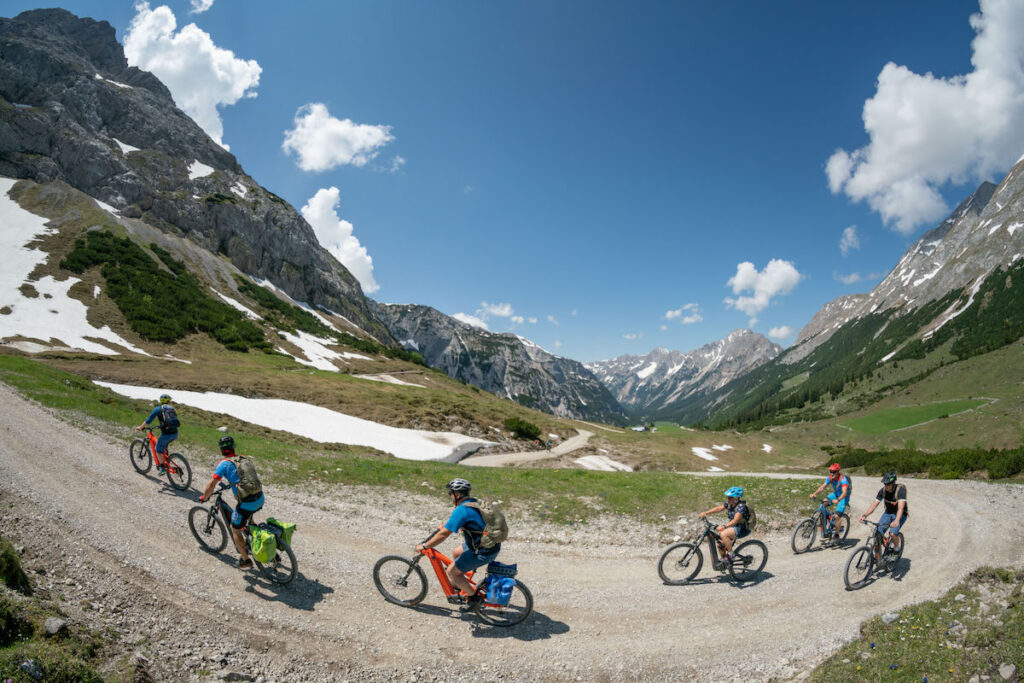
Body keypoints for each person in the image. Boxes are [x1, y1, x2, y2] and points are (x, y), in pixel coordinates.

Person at [415, 478, 500, 612]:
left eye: (451, 493)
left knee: (451, 571)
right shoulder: (473, 502)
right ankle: (462, 583)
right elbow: (461, 521)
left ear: (458, 495)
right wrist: (446, 525)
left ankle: (474, 599)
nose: (450, 496)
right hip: (489, 545)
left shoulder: (462, 510)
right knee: (456, 552)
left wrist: (425, 546)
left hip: (483, 551)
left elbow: (443, 535)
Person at [199, 436, 265, 569]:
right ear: (233, 447)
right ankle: (256, 535)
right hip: (260, 498)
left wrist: (204, 497)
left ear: (222, 450)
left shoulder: (224, 464)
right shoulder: (243, 459)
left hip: (247, 503)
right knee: (248, 520)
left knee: (234, 529)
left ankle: (245, 560)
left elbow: (212, 483)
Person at [859, 471, 908, 559]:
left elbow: (900, 508)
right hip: (888, 513)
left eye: (888, 484)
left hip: (900, 515)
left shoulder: (900, 490)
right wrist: (865, 515)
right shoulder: (883, 491)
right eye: (885, 484)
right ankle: (878, 557)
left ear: (893, 483)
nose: (886, 486)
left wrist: (896, 521)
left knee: (892, 533)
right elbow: (874, 505)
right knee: (877, 534)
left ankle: (896, 549)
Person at [700, 486, 751, 559]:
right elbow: (719, 508)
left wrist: (724, 527)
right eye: (728, 497)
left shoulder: (741, 506)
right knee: (720, 544)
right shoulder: (729, 503)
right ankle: (725, 562)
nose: (728, 499)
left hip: (742, 529)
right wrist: (706, 513)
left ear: (736, 498)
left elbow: (735, 520)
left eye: (730, 498)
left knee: (723, 534)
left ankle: (731, 554)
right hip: (734, 527)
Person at [135, 393, 179, 474]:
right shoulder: (172, 409)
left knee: (158, 450)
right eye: (170, 401)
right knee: (164, 445)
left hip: (166, 434)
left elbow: (148, 420)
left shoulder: (157, 409)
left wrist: (140, 427)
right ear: (168, 401)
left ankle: (162, 468)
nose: (170, 402)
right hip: (175, 433)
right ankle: (166, 460)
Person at [809, 463, 852, 543]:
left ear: (838, 471)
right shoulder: (830, 478)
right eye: (830, 471)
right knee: (822, 506)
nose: (831, 473)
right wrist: (814, 493)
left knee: (836, 516)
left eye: (834, 471)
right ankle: (825, 529)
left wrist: (838, 500)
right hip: (835, 494)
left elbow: (845, 492)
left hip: (843, 498)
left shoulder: (843, 479)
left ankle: (837, 536)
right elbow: (823, 487)